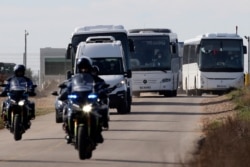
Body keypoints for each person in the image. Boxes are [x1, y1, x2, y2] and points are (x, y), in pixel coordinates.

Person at [59, 57, 109, 143]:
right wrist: (64, 93)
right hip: (77, 101)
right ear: (78, 68)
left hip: (90, 101)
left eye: (85, 67)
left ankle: (98, 132)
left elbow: (102, 85)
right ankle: (68, 132)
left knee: (101, 109)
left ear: (89, 68)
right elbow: (68, 87)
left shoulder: (95, 79)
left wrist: (102, 90)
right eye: (82, 68)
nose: (83, 70)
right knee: (67, 110)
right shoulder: (73, 79)